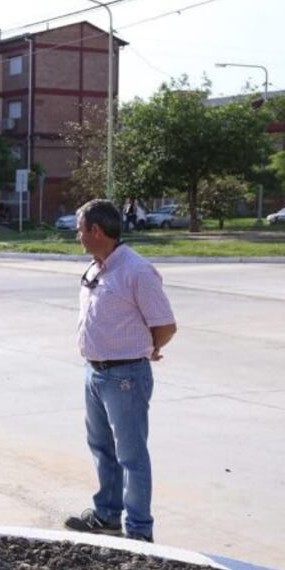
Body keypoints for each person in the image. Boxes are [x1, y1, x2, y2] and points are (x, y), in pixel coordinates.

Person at [65, 199, 177, 544]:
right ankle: (107, 516)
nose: (78, 237)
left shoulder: (136, 270)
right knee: (102, 447)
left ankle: (139, 531)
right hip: (95, 373)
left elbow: (166, 325)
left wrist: (149, 349)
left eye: (80, 230)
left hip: (125, 377)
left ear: (96, 231)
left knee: (131, 455)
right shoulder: (98, 265)